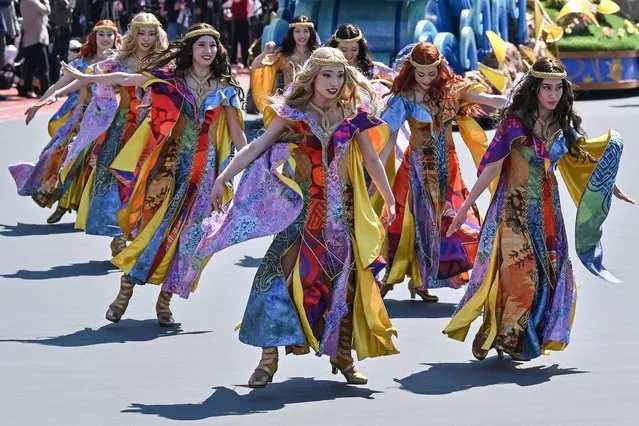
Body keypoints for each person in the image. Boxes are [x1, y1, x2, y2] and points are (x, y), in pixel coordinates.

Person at [187, 47, 398, 388]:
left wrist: (388, 200)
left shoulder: (351, 113)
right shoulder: (293, 112)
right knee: (273, 280)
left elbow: (372, 160)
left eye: (339, 75)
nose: (334, 82)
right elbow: (256, 147)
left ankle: (343, 355)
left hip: (342, 218)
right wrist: (223, 178)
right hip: (301, 216)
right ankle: (267, 360)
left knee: (345, 287)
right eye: (326, 75)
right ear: (312, 78)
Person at [444, 57, 634, 361]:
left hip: (547, 210)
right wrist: (466, 207)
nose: (553, 94)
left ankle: (511, 334)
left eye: (558, 88)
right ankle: (502, 330)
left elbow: (584, 160)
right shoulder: (515, 122)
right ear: (535, 88)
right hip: (513, 208)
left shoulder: (565, 125)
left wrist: (609, 186)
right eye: (547, 87)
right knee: (520, 272)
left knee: (548, 274)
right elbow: (492, 169)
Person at [59, 23, 247, 326]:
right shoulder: (172, 79)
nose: (208, 51)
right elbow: (126, 78)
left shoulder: (225, 88)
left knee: (189, 240)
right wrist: (85, 77)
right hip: (168, 168)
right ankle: (125, 293)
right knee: (152, 232)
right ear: (190, 49)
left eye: (213, 45)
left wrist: (259, 163)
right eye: (202, 45)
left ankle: (164, 302)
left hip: (204, 174)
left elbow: (238, 135)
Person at [377, 42, 506, 302]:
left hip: (449, 169)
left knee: (458, 219)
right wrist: (377, 171)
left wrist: (516, 101)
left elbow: (486, 99)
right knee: (415, 223)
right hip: (418, 171)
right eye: (420, 74)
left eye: (431, 73)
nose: (426, 79)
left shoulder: (450, 91)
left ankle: (468, 274)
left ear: (440, 69)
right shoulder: (404, 98)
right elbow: (388, 136)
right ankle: (413, 279)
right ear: (411, 70)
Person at [42, 12, 169, 257]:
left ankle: (133, 231)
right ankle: (119, 234)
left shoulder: (164, 61)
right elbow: (85, 79)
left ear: (158, 34)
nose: (146, 38)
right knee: (115, 179)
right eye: (141, 32)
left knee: (146, 179)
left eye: (151, 33)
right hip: (120, 128)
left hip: (150, 130)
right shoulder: (119, 59)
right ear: (133, 34)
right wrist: (55, 94)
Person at [9, 21, 121, 225]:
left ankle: (79, 205)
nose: (106, 38)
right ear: (93, 38)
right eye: (101, 34)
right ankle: (61, 201)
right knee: (64, 155)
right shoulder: (82, 63)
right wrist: (39, 104)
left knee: (96, 164)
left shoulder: (121, 62)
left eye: (109, 34)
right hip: (82, 119)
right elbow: (58, 86)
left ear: (116, 37)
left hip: (111, 120)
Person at [249, 15, 318, 113]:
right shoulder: (283, 56)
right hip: (288, 105)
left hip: (312, 105)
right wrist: (265, 52)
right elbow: (255, 65)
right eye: (297, 31)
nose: (302, 35)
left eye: (305, 31)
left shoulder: (317, 56)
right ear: (292, 33)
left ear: (311, 33)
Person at [20, 0, 51, 98]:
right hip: (38, 38)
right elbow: (47, 10)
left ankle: (28, 90)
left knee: (30, 68)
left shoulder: (23, 3)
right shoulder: (34, 2)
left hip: (29, 39)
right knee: (44, 68)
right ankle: (47, 92)